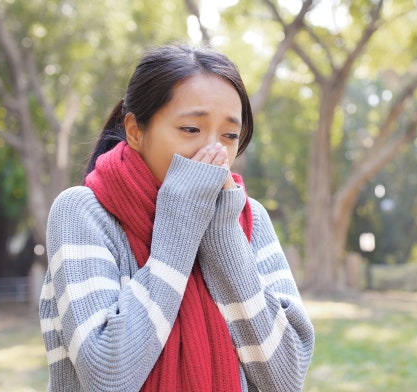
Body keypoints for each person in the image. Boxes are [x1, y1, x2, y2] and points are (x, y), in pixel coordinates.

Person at [38, 44, 315, 392]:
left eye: (229, 136)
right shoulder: (83, 213)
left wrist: (222, 234)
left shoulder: (248, 219)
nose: (214, 151)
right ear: (136, 131)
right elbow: (108, 375)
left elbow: (286, 379)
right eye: (190, 129)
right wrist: (182, 221)